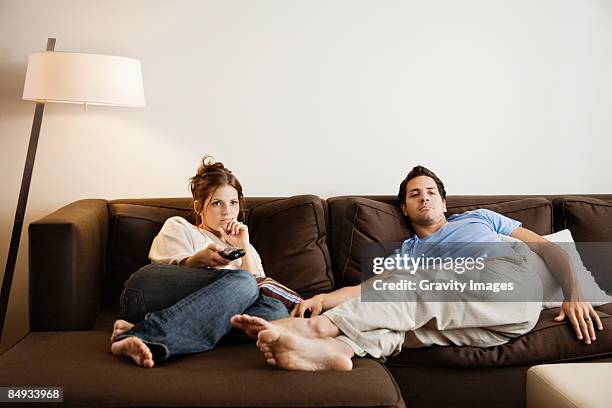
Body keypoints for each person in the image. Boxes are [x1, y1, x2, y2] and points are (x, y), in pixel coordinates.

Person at [231, 165, 606, 371]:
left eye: (430, 192)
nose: (423, 197)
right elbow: (371, 290)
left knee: (414, 285)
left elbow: (546, 249)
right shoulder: (408, 252)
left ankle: (316, 330)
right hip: (489, 326)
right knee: (402, 327)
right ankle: (339, 350)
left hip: (509, 280)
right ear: (405, 210)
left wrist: (573, 294)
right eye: (414, 194)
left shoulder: (480, 218)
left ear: (443, 202)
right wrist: (325, 296)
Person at [110, 156, 288, 368]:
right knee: (244, 282)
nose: (227, 211)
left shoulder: (247, 247)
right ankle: (146, 333)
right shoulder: (180, 227)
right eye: (216, 203)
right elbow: (161, 271)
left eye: (233, 203)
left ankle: (140, 331)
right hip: (145, 292)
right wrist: (198, 260)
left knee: (274, 312)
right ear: (198, 206)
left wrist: (243, 246)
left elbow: (257, 290)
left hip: (194, 312)